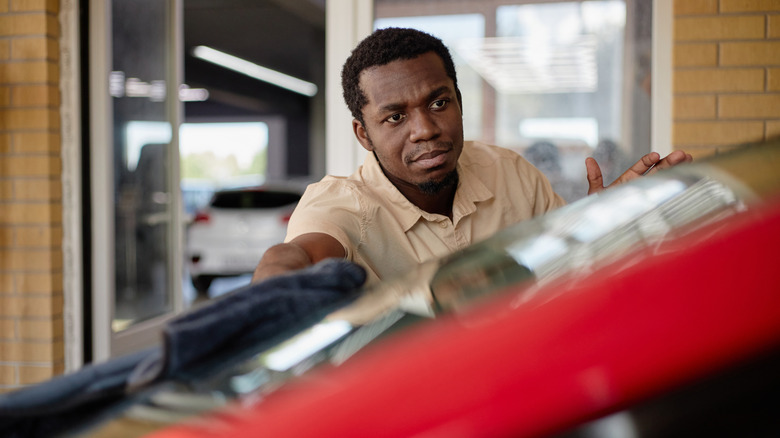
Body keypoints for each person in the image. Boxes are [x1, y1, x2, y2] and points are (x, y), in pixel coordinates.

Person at [252, 27, 692, 285]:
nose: (424, 129)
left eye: (439, 103)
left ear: (460, 102)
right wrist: (274, 285)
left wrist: (599, 225)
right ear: (363, 135)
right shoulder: (342, 206)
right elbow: (299, 257)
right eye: (395, 117)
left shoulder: (510, 173)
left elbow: (567, 272)